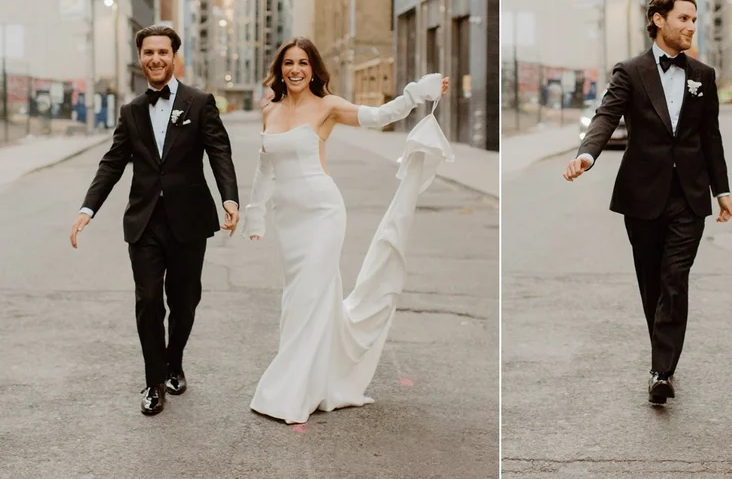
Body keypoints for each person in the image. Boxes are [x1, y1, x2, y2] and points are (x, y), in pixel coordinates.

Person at [242, 37, 449, 424]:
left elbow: (380, 116)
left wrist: (417, 93)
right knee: (298, 298)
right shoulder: (269, 110)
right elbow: (265, 168)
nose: (295, 70)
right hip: (288, 220)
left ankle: (292, 389)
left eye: (303, 63)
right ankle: (316, 381)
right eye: (289, 63)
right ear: (280, 69)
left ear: (313, 70)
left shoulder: (329, 107)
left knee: (309, 296)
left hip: (323, 213)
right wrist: (255, 214)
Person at [564, 0, 732, 404]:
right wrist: (587, 154)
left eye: (694, 19)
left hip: (689, 196)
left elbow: (710, 137)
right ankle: (663, 353)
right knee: (651, 283)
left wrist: (722, 190)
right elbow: (607, 115)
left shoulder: (703, 75)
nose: (691, 26)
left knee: (675, 279)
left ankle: (662, 371)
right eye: (683, 19)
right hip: (642, 194)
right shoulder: (630, 71)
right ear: (659, 20)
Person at [70, 25, 240, 416]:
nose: (156, 59)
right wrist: (87, 209)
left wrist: (229, 198)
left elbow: (219, 152)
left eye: (163, 52)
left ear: (174, 56)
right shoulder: (131, 111)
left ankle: (173, 363)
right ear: (141, 58)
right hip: (144, 221)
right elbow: (112, 163)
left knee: (185, 301)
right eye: (149, 52)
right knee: (148, 301)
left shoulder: (199, 102)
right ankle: (153, 382)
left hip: (189, 220)